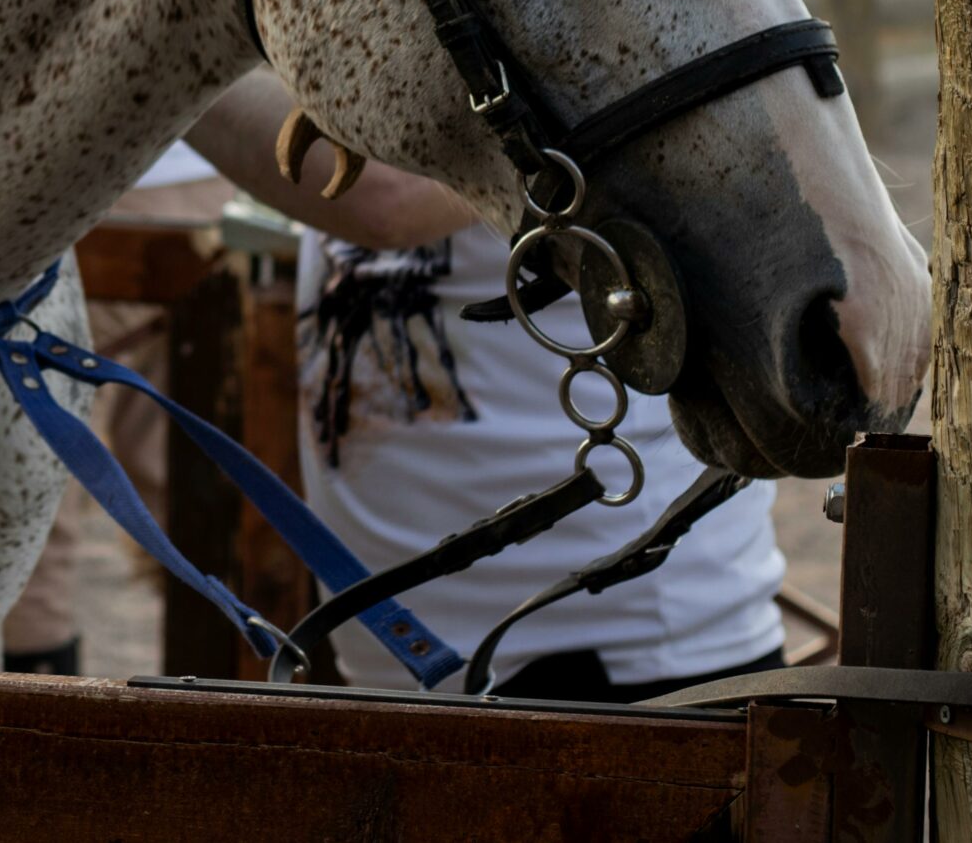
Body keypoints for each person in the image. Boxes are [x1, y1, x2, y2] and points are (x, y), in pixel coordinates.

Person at [179, 74, 787, 699]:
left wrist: (151, 39)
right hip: (415, 641)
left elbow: (381, 197)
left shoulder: (585, 40)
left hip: (614, 633)